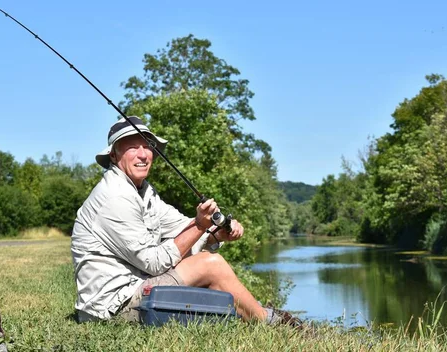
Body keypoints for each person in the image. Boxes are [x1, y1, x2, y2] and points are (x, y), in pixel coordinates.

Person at [70, 116, 301, 326]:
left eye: (147, 146)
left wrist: (215, 233)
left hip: (136, 290)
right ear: (113, 155)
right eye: (132, 147)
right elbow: (153, 263)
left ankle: (261, 315)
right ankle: (271, 323)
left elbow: (183, 228)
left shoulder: (143, 191)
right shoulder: (115, 197)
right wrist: (201, 226)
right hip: (111, 309)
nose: (142, 154)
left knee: (209, 265)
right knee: (211, 265)